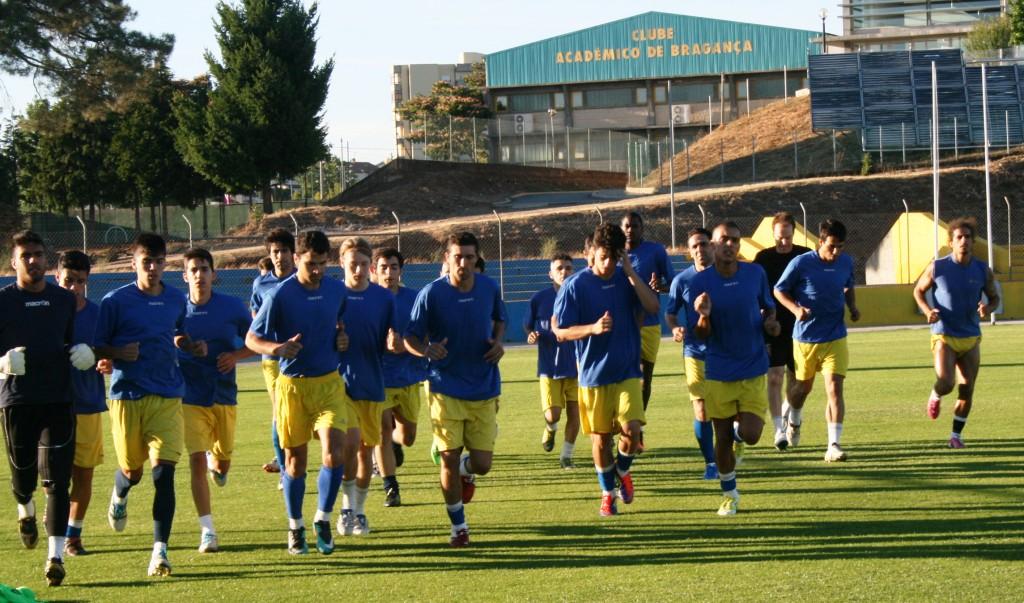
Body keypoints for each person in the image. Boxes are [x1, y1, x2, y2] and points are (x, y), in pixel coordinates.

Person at [94, 232, 202, 576]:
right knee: (133, 472)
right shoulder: (114, 301)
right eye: (146, 262)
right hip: (127, 396)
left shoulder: (175, 299)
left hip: (168, 395)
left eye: (158, 262)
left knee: (163, 474)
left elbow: (177, 331)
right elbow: (96, 347)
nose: (153, 268)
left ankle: (160, 552)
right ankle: (120, 492)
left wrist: (187, 343)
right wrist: (115, 353)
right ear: (134, 263)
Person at [246, 230, 350, 556]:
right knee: (295, 464)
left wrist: (341, 338)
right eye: (310, 264)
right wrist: (277, 347)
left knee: (335, 452)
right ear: (297, 258)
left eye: (321, 263)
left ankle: (322, 518)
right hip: (292, 386)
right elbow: (251, 338)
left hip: (330, 382)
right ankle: (295, 526)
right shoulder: (280, 295)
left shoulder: (336, 290)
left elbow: (340, 325)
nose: (316, 270)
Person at [1, 231, 95, 586]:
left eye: (39, 254)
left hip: (58, 399)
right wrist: (2, 364)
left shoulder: (63, 300)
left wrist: (86, 354)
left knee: (58, 481)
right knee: (23, 477)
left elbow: (71, 343)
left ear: (46, 259)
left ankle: (54, 557)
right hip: (17, 401)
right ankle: (24, 508)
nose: (33, 261)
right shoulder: (3, 301)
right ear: (14, 261)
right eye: (26, 255)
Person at [404, 232, 507, 547]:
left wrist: (498, 343)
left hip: (483, 386)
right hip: (444, 387)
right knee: (447, 458)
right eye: (457, 257)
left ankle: (467, 469)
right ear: (446, 259)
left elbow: (499, 320)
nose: (463, 263)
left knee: (483, 465)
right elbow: (410, 336)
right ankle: (458, 526)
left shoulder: (489, 287)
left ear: (477, 260)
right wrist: (426, 350)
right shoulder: (431, 294)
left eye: (469, 257)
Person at [553, 223, 660, 517]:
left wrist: (631, 272)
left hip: (627, 371)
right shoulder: (575, 286)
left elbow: (652, 307)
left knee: (632, 430)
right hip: (593, 376)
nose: (608, 263)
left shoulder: (628, 281)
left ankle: (623, 471)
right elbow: (561, 333)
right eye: (603, 257)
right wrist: (592, 328)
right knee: (600, 441)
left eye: (615, 257)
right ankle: (607, 494)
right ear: (592, 255)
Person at [688, 222, 779, 516]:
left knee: (751, 434)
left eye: (735, 241)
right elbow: (701, 334)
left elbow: (768, 308)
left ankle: (742, 437)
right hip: (718, 370)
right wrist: (703, 316)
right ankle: (730, 495)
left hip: (752, 366)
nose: (729, 245)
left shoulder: (755, 273)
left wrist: (771, 324)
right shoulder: (700, 284)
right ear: (713, 245)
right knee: (722, 437)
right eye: (724, 240)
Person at [179, 248, 253, 553]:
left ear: (214, 274)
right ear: (185, 276)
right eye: (193, 270)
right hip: (189, 396)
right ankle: (207, 529)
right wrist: (183, 344)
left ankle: (218, 464)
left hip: (224, 394)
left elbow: (255, 339)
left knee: (221, 466)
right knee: (196, 459)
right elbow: (165, 339)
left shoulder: (233, 307)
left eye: (204, 269)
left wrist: (234, 356)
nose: (199, 275)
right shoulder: (175, 309)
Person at [774, 219, 860, 463]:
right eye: (832, 246)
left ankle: (833, 445)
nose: (836, 251)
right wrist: (796, 309)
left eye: (841, 246)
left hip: (835, 336)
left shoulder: (845, 262)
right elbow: (779, 290)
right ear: (820, 242)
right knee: (802, 389)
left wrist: (852, 306)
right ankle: (794, 418)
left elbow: (848, 285)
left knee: (834, 389)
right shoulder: (801, 263)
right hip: (806, 338)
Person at [913, 217, 999, 449]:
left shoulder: (982, 270)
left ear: (973, 241)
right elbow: (918, 291)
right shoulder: (938, 267)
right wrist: (927, 310)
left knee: (967, 388)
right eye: (959, 237)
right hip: (944, 334)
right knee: (946, 382)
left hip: (970, 336)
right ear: (951, 242)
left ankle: (955, 437)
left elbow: (994, 298)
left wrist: (987, 308)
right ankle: (935, 394)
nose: (964, 241)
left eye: (968, 237)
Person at [336, 238, 396, 537]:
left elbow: (394, 334)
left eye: (362, 264)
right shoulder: (333, 295)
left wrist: (394, 342)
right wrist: (335, 343)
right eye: (352, 264)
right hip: (340, 385)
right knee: (349, 445)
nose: (358, 270)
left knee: (364, 452)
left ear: (370, 265)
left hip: (372, 383)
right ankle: (346, 508)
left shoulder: (383, 299)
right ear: (341, 264)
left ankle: (357, 511)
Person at [57, 251, 111, 558]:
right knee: (55, 479)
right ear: (58, 278)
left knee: (84, 475)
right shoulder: (47, 312)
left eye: (80, 282)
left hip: (88, 405)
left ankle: (73, 537)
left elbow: (110, 355)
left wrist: (106, 362)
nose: (74, 288)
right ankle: (55, 527)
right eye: (68, 281)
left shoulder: (99, 315)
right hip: (52, 406)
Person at [372, 247, 427, 507]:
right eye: (383, 267)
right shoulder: (366, 299)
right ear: (374, 270)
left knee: (407, 437)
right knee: (382, 432)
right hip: (378, 378)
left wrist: (404, 345)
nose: (389, 273)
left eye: (393, 267)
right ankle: (390, 486)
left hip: (408, 376)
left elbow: (424, 335)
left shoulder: (414, 299)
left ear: (400, 271)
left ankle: (396, 444)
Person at [753, 212, 812, 450]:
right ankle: (779, 430)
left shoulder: (805, 256)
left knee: (798, 380)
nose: (784, 242)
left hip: (800, 323)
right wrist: (762, 315)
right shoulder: (763, 258)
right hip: (772, 323)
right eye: (780, 238)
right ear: (774, 234)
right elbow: (754, 290)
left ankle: (791, 417)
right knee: (774, 376)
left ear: (793, 233)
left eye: (787, 237)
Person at [665, 228, 718, 480]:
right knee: (701, 408)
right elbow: (671, 312)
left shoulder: (728, 274)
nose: (699, 250)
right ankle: (710, 463)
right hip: (694, 350)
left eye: (703, 244)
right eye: (694, 246)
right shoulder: (682, 280)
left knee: (730, 409)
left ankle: (735, 442)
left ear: (713, 246)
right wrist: (675, 328)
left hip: (726, 350)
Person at [621, 212, 674, 450]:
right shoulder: (615, 254)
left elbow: (673, 283)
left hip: (649, 324)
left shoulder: (655, 251)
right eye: (626, 226)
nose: (630, 230)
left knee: (644, 380)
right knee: (620, 379)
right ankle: (620, 427)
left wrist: (660, 287)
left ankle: (638, 429)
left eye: (634, 226)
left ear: (643, 228)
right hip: (621, 324)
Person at [250, 229, 297, 481]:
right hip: (273, 359)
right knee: (279, 412)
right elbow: (255, 319)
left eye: (284, 251)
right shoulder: (261, 284)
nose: (280, 256)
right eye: (275, 252)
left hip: (302, 357)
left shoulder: (302, 279)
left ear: (293, 253)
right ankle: (284, 470)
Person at [525, 253, 579, 469]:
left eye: (568, 268)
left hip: (575, 366)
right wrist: (531, 335)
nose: (564, 272)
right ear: (550, 273)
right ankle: (550, 428)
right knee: (553, 414)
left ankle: (566, 457)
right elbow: (528, 326)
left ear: (573, 271)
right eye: (559, 268)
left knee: (576, 415)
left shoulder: (579, 296)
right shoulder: (539, 299)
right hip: (549, 366)